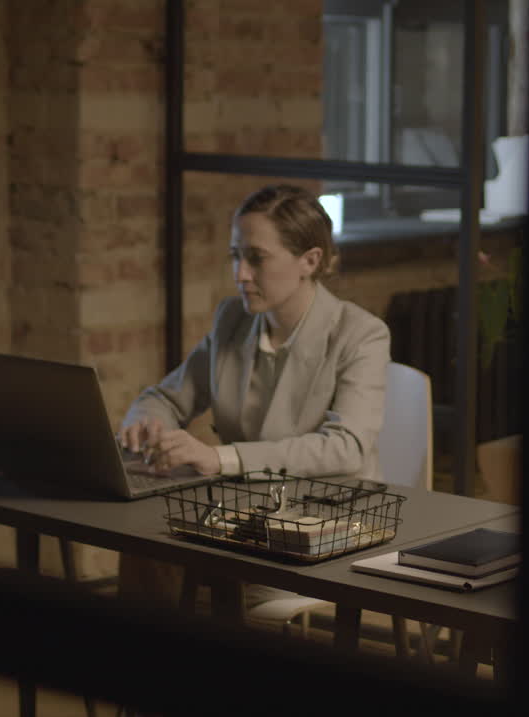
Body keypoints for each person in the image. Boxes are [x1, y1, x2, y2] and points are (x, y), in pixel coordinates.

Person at [118, 184, 390, 605]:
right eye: (235, 256)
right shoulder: (232, 319)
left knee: (175, 556)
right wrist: (144, 424)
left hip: (323, 520)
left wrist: (220, 458)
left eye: (256, 258)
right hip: (244, 509)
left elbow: (347, 448)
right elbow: (167, 397)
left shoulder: (360, 334)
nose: (240, 274)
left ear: (310, 261)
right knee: (145, 542)